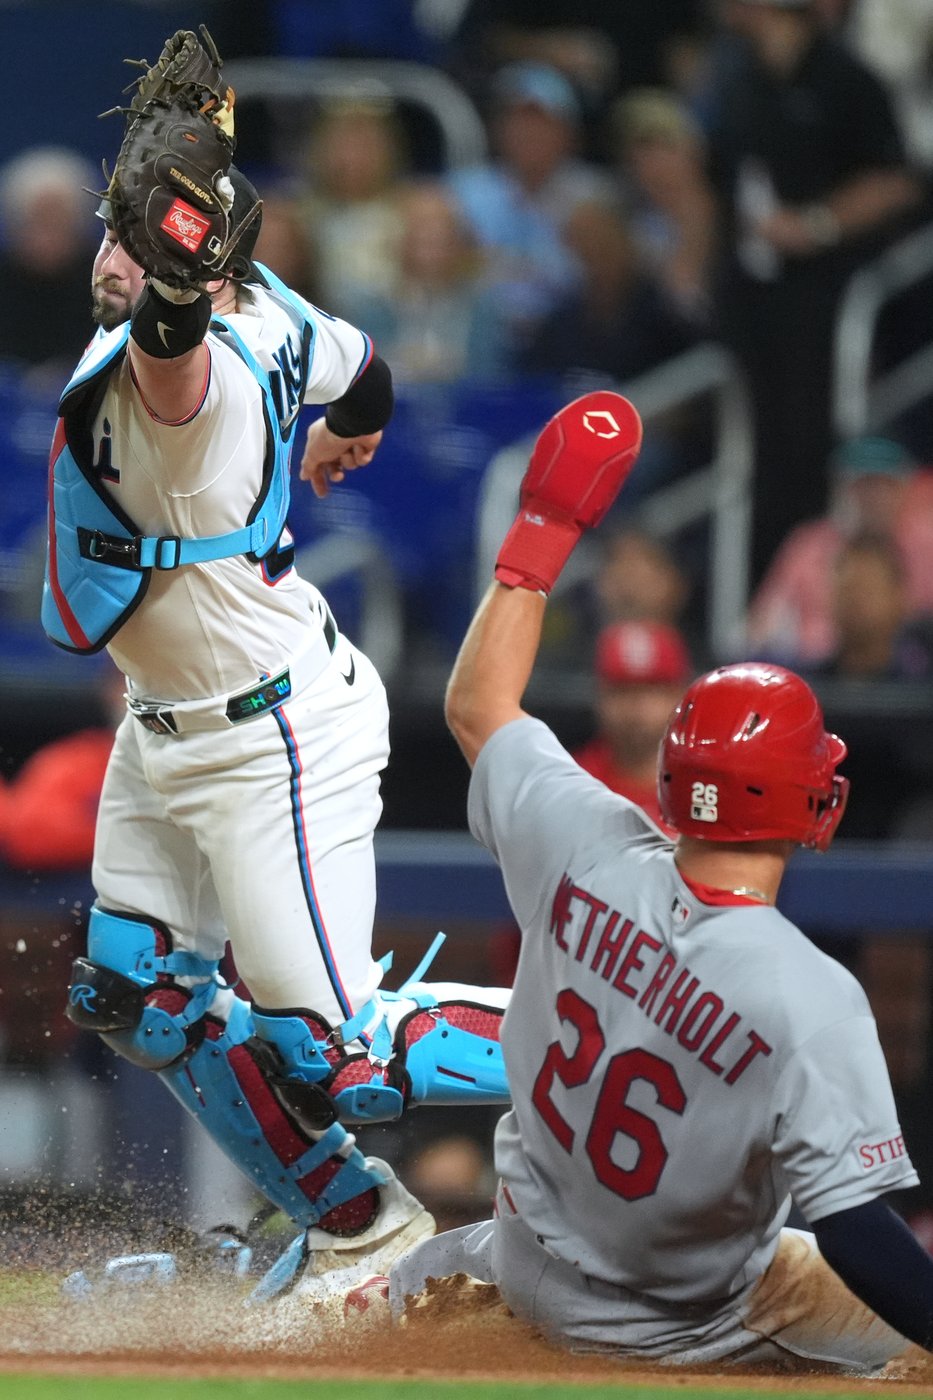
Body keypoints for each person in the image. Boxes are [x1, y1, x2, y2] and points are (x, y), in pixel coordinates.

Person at [47, 31, 510, 1293]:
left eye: (132, 240)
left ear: (192, 265)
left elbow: (173, 354)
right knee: (140, 988)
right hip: (169, 721)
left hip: (271, 733)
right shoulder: (278, 303)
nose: (108, 256)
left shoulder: (180, 366)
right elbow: (368, 372)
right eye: (112, 230)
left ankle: (634, 1048)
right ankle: (357, 1223)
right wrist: (349, 430)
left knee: (340, 1048)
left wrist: (174, 283)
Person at [375, 389, 933, 1370]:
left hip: (522, 1257)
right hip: (674, 1321)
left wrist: (543, 530)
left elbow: (477, 704)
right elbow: (854, 1227)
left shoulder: (583, 837)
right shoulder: (810, 995)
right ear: (809, 803)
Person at [705, 0, 922, 584]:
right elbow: (723, 176)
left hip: (829, 294)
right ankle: (765, 584)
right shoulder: (738, 78)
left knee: (812, 447)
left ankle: (823, 580)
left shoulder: (846, 77)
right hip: (755, 296)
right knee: (754, 453)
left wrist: (816, 225)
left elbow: (897, 180)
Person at [745, 434, 933, 666]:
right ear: (842, 490)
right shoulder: (809, 546)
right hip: (816, 670)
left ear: (905, 489)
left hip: (908, 673)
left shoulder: (926, 545)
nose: (874, 498)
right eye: (863, 486)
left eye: (886, 486)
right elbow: (763, 625)